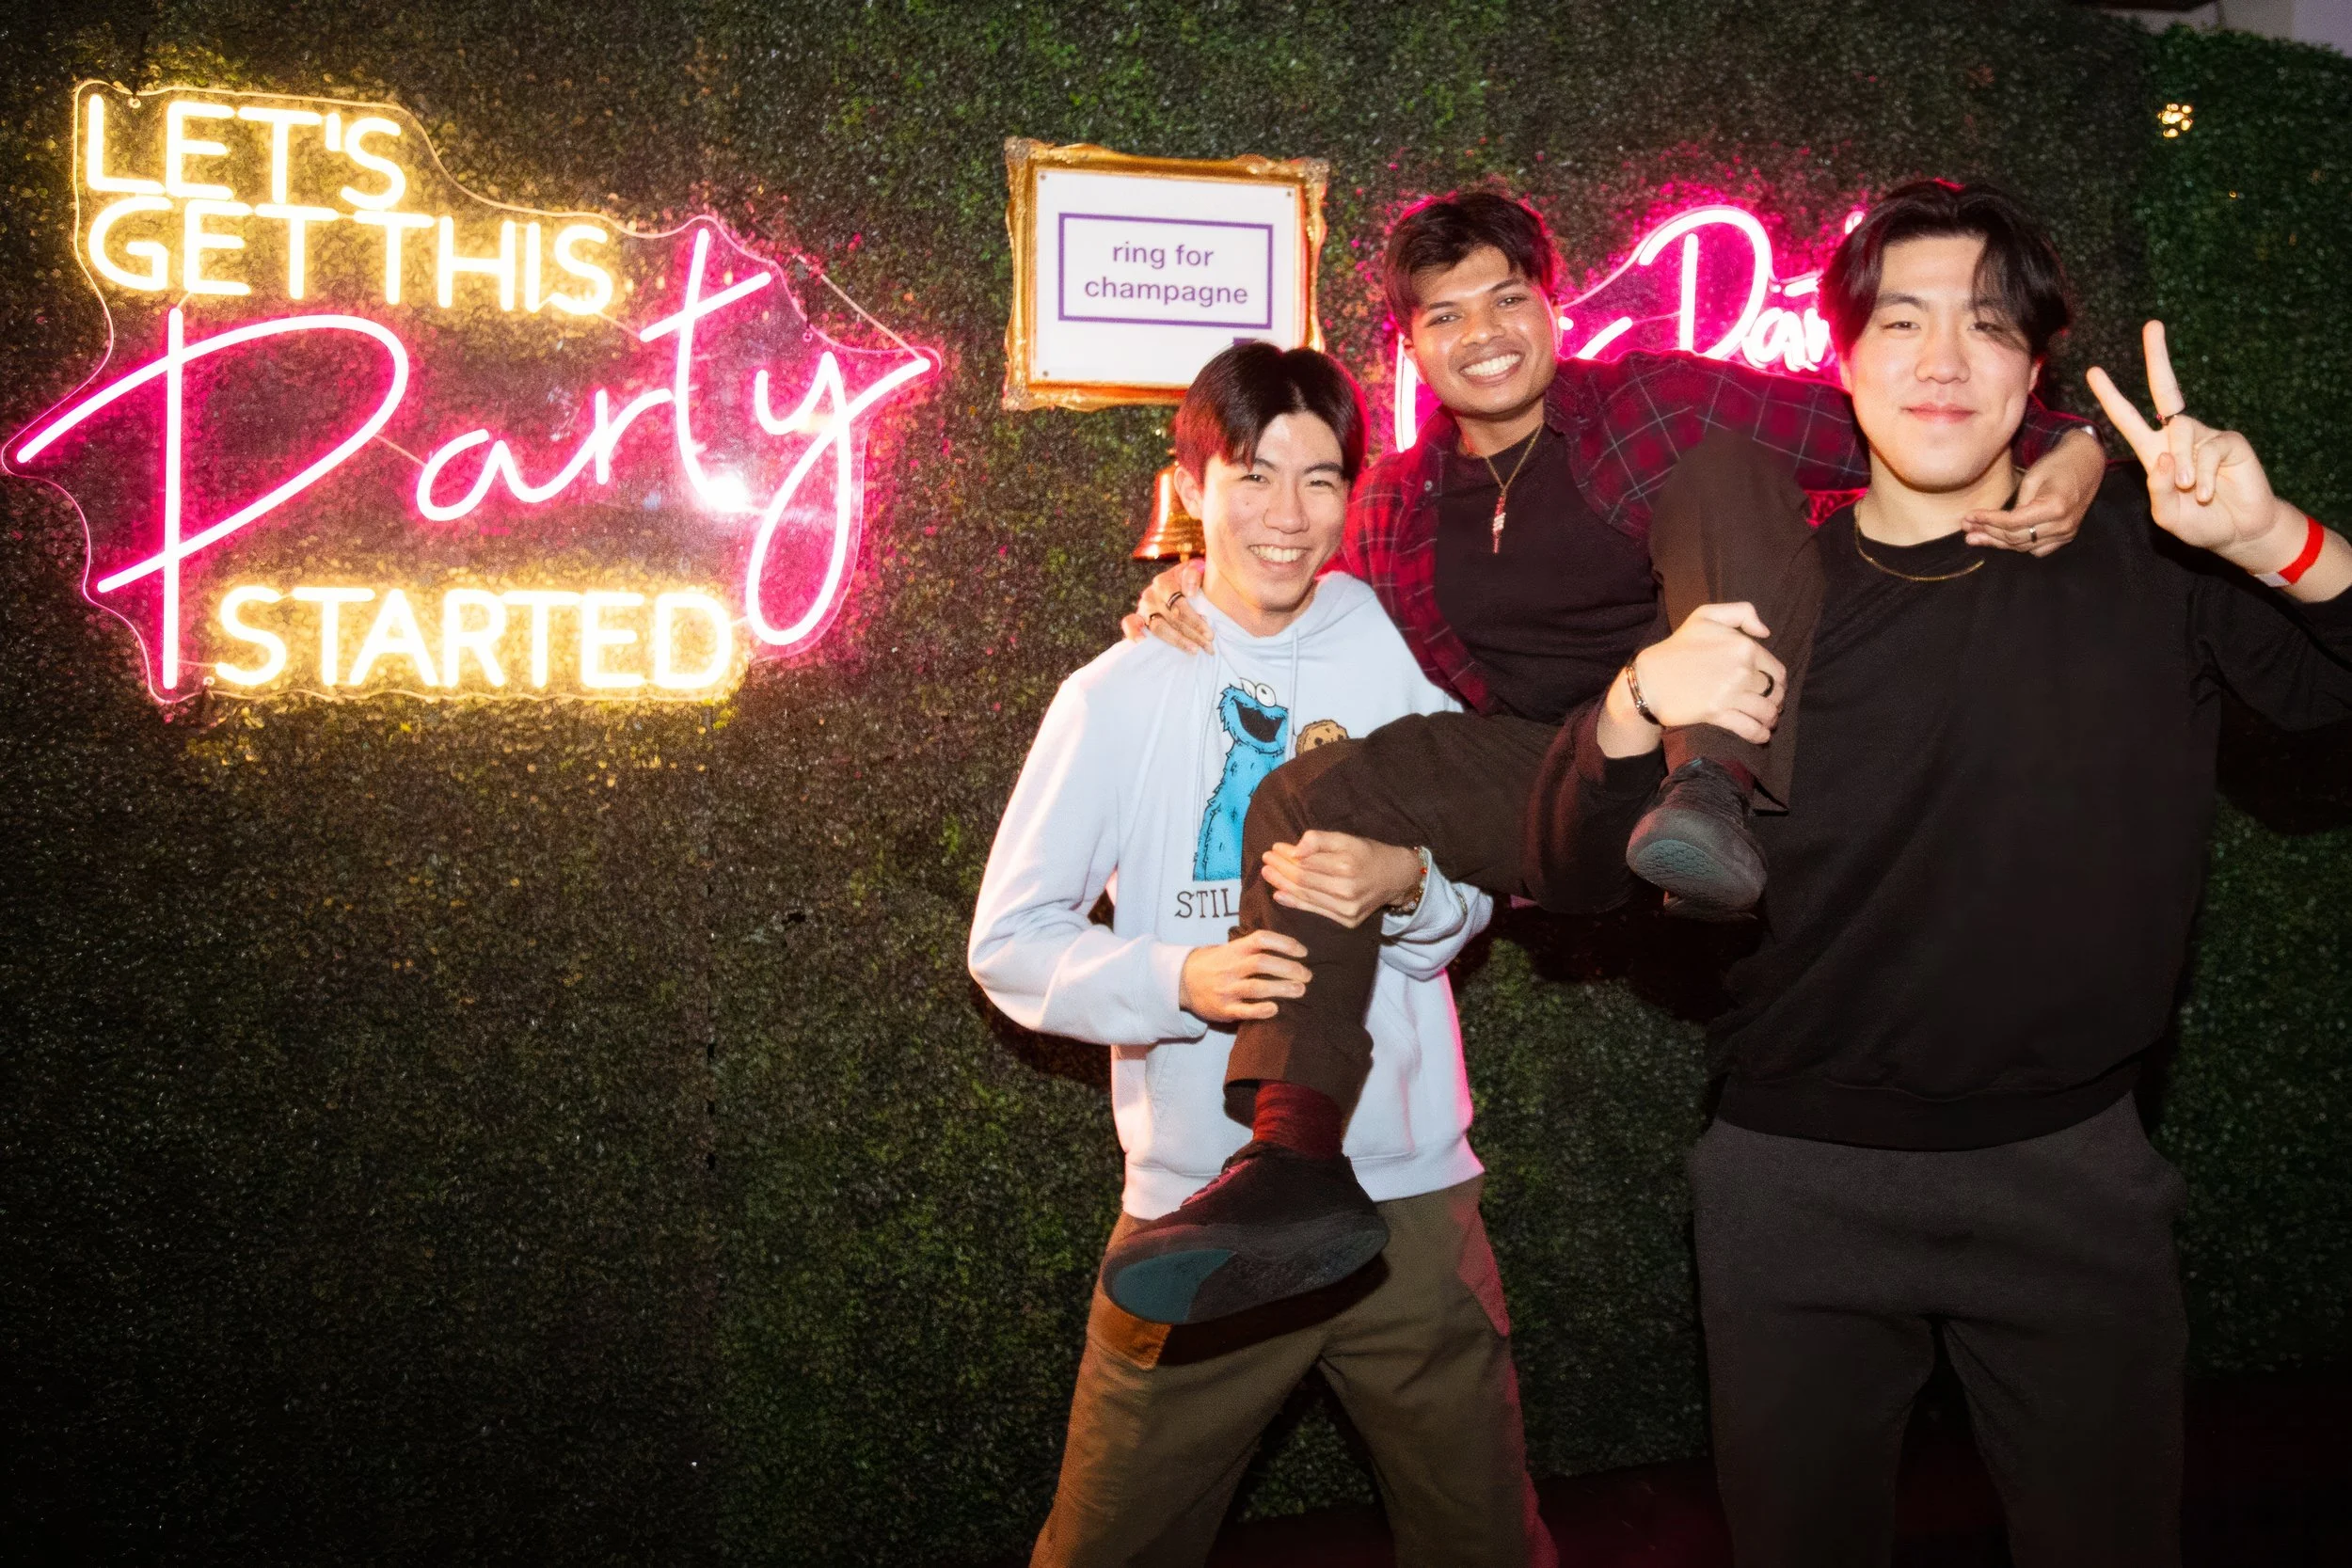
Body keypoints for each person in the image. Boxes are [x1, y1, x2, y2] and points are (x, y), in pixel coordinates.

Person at [1105, 191, 2107, 1323]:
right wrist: (1186, 583)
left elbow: (1902, 418)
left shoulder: (1658, 395)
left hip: (1732, 749)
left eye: (1506, 297)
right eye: (1444, 315)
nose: (1481, 332)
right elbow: (1276, 541)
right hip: (1568, 776)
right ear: (1413, 343)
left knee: (1726, 472)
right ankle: (1293, 1162)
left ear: (1551, 302)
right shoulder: (1394, 505)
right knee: (1308, 792)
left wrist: (2067, 448)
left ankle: (1708, 794)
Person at [1550, 179, 2352, 1567]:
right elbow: (1567, 865)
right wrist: (1629, 701)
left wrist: (2280, 544)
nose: (1940, 361)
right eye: (1902, 321)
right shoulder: (1763, 595)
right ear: (1842, 355)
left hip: (2073, 1175)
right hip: (1790, 1187)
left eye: (1986, 328)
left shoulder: (2156, 557)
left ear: (2034, 370)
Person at [971, 342, 1587, 1566]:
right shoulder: (1121, 687)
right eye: (1254, 475)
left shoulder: (1395, 652)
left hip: (1407, 1188)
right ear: (1192, 483)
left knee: (1485, 1538)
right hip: (1209, 1192)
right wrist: (1174, 982)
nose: (1288, 516)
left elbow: (1478, 891)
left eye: (1320, 479)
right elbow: (1011, 940)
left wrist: (1411, 885)